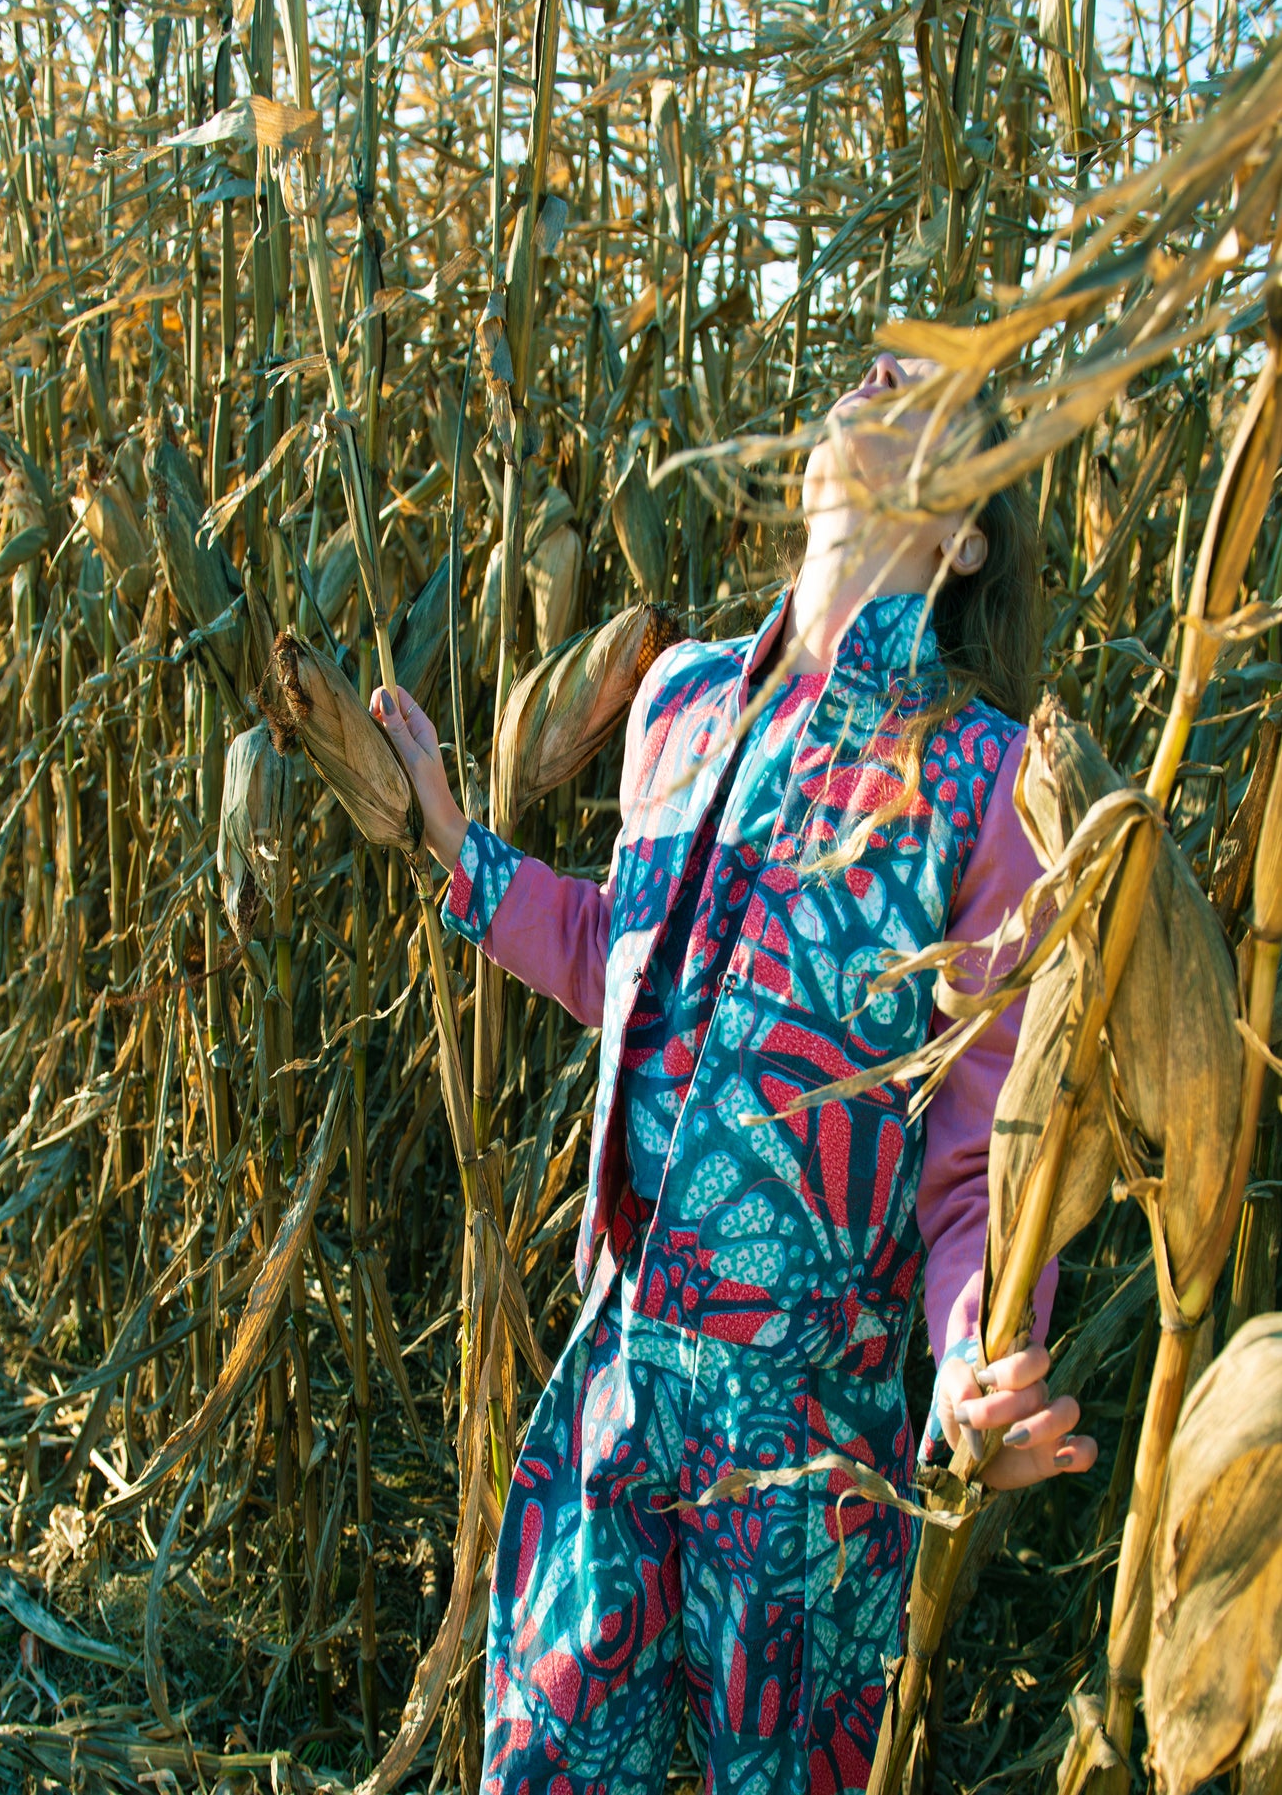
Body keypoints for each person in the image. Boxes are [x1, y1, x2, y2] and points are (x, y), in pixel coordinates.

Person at [370, 354, 1097, 1795]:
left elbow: (980, 1157)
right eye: (878, 360)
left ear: (965, 537)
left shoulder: (983, 779)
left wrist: (973, 1365)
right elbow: (611, 952)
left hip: (808, 1449)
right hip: (615, 1366)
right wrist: (457, 844)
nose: (884, 366)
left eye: (931, 383)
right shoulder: (684, 703)